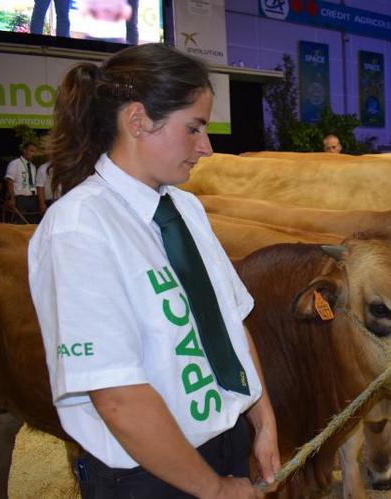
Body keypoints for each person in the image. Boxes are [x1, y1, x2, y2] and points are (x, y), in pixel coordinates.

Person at [28, 43, 279, 498]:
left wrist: (263, 422)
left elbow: (230, 320)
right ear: (137, 120)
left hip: (226, 442)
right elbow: (118, 398)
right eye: (193, 128)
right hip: (148, 474)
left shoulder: (185, 207)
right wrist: (215, 489)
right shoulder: (80, 227)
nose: (206, 147)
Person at [5, 141, 40, 223]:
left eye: (34, 151)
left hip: (33, 199)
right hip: (20, 199)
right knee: (21, 223)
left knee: (33, 223)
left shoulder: (33, 166)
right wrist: (12, 198)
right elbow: (10, 180)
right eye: (31, 151)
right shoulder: (14, 163)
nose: (33, 154)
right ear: (24, 150)